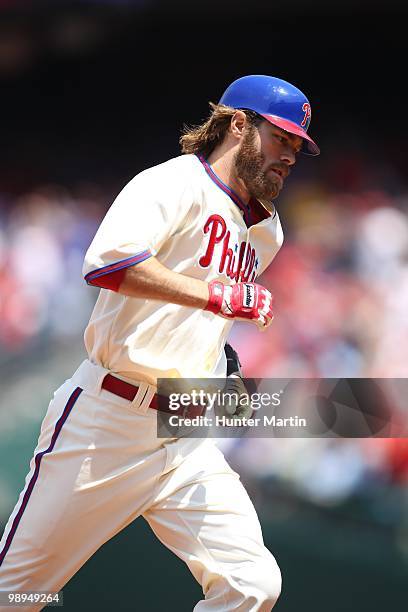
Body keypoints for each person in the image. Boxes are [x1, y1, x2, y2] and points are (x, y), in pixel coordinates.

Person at [0, 74, 319, 611]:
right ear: (238, 124)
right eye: (281, 138)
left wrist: (223, 363)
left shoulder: (267, 231)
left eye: (297, 146)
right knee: (17, 594)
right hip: (107, 421)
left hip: (183, 429)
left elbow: (202, 321)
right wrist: (216, 297)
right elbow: (108, 263)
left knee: (252, 584)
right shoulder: (172, 183)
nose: (290, 155)